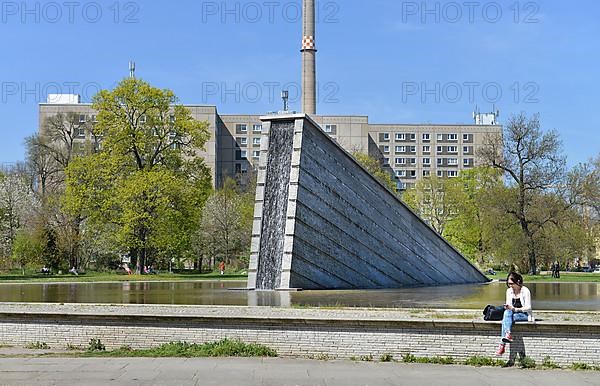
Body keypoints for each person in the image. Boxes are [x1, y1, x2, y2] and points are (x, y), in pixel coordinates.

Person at [496, 272, 533, 356]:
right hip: (511, 314)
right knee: (507, 313)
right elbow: (509, 305)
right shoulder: (509, 291)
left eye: (512, 283)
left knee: (505, 320)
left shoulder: (525, 291)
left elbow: (528, 307)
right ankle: (508, 334)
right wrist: (508, 307)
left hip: (524, 314)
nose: (510, 286)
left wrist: (515, 309)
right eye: (508, 284)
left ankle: (502, 345)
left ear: (518, 282)